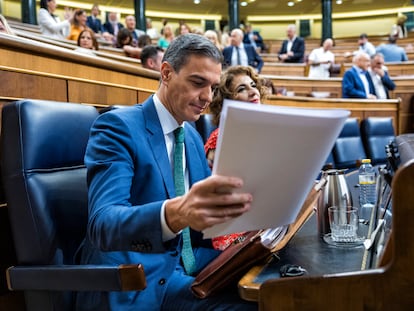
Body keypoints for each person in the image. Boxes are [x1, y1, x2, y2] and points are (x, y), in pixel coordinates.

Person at [76, 33, 257, 311]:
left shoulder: (193, 137)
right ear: (166, 72)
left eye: (213, 87)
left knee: (276, 284)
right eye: (198, 83)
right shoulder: (117, 127)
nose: (207, 97)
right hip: (140, 279)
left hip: (191, 263)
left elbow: (202, 221)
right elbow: (103, 224)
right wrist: (176, 213)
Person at [204, 65, 266, 251]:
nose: (252, 91)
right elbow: (218, 196)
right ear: (226, 102)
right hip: (235, 228)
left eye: (253, 85)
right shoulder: (220, 137)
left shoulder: (264, 132)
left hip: (263, 218)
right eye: (242, 89)